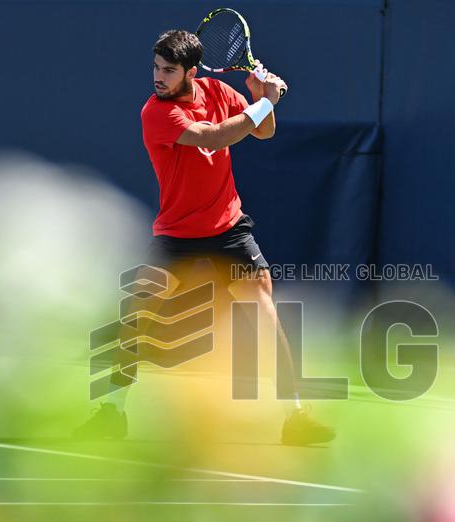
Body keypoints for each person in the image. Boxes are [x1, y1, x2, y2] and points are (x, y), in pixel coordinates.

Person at [76, 29, 334, 445]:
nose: (159, 77)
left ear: (191, 72)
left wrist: (257, 98)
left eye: (169, 70)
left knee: (265, 314)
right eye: (156, 68)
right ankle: (110, 412)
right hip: (176, 235)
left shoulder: (216, 91)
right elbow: (212, 138)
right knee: (135, 317)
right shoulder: (155, 114)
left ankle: (296, 417)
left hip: (228, 228)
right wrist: (267, 99)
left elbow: (263, 131)